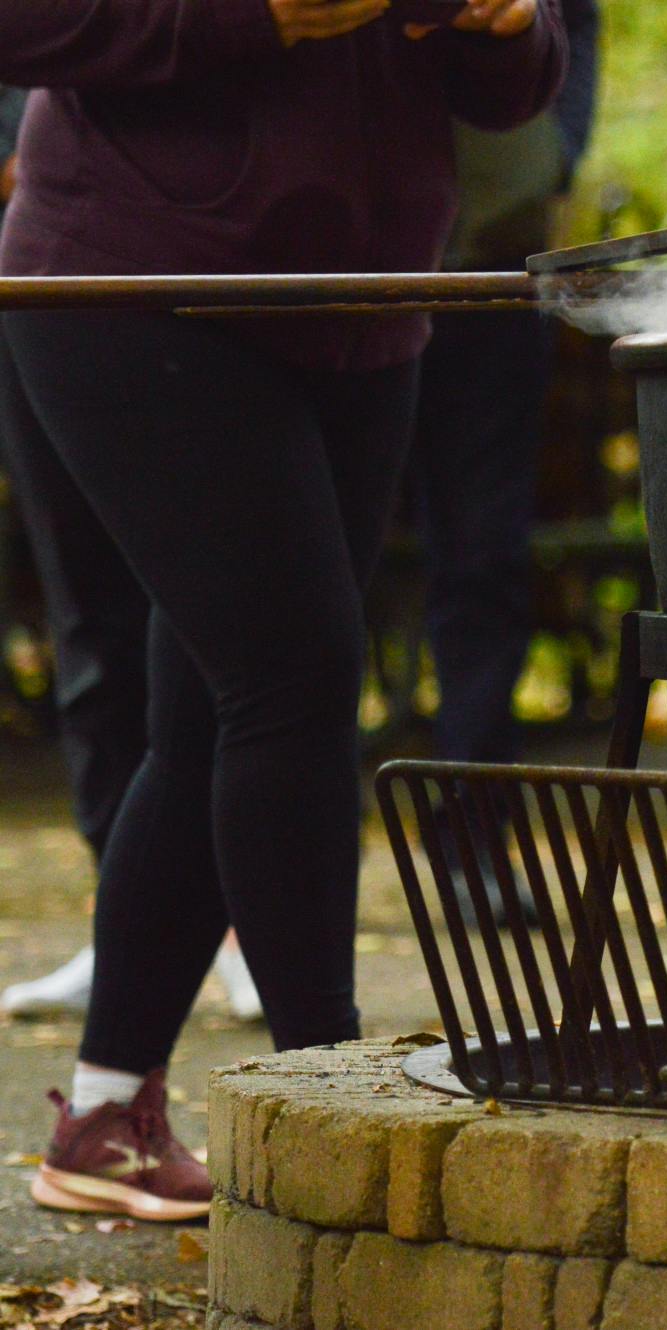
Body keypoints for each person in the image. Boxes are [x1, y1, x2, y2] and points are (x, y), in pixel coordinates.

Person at [0, 0, 566, 1222]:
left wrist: (505, 24)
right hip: (138, 286)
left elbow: (516, 92)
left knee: (214, 708)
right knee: (296, 683)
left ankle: (105, 1120)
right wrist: (256, 19)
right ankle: (332, 1124)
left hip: (359, 303)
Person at [0, 86, 262, 1024]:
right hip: (35, 273)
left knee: (207, 614)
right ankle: (129, 917)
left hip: (175, 263)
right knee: (87, 616)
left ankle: (233, 919)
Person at [411, 0, 597, 778]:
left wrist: (555, 151)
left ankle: (474, 822)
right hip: (335, 272)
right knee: (315, 565)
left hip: (495, 273)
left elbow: (574, 18)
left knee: (486, 556)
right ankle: (307, 836)